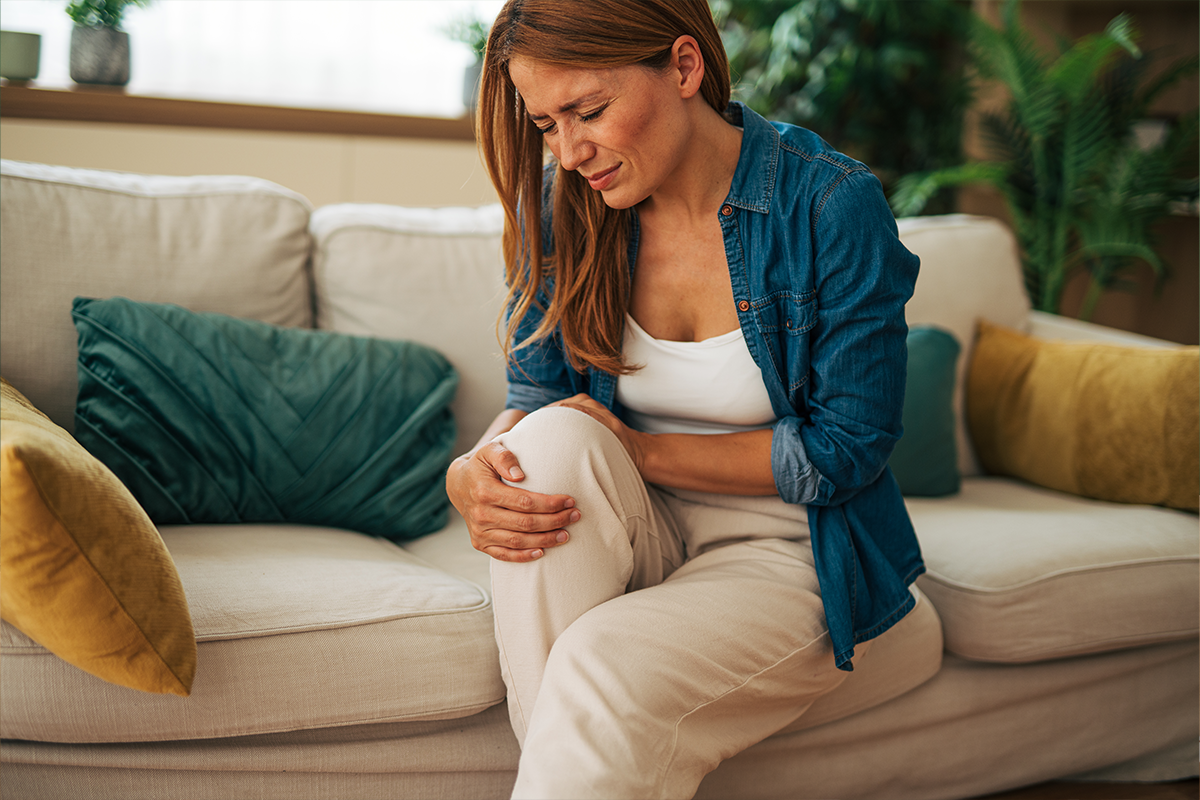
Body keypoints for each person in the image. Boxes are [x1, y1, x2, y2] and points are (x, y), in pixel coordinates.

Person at [445, 1, 923, 797]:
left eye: (588, 112)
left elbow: (849, 449)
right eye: (546, 125)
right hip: (635, 524)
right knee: (546, 446)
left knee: (598, 663)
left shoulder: (829, 207)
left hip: (792, 546)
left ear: (684, 66)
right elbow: (538, 398)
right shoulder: (564, 205)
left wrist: (643, 450)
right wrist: (474, 469)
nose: (569, 152)